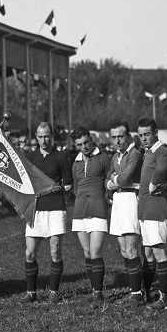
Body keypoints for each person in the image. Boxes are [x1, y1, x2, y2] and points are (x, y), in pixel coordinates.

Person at [22, 122, 72, 303]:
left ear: (52, 136)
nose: (44, 140)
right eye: (40, 136)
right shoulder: (29, 157)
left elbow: (68, 184)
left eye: (47, 136)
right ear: (36, 136)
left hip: (56, 208)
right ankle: (31, 292)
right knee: (29, 253)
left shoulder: (61, 156)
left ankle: (54, 291)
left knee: (55, 251)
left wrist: (55, 188)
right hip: (35, 209)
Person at [69, 126, 112, 306]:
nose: (84, 147)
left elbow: (110, 182)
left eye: (86, 142)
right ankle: (94, 289)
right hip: (79, 211)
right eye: (79, 144)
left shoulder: (104, 158)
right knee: (87, 252)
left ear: (91, 140)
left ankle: (99, 293)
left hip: (98, 210)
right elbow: (76, 187)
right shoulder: (76, 163)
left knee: (95, 252)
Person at [134, 119, 167, 310]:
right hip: (145, 210)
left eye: (147, 134)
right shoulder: (146, 153)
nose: (144, 138)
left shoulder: (161, 151)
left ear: (155, 132)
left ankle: (165, 297)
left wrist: (154, 183)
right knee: (147, 254)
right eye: (141, 135)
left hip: (157, 209)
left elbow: (162, 168)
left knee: (158, 252)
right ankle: (146, 293)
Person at [106, 121, 145, 307]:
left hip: (131, 199)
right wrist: (114, 181)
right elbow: (108, 182)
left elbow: (124, 179)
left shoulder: (135, 154)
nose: (117, 140)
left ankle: (137, 295)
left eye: (120, 136)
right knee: (123, 249)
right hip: (118, 201)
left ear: (128, 136)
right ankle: (134, 290)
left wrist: (115, 180)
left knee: (131, 249)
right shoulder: (116, 157)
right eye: (114, 137)